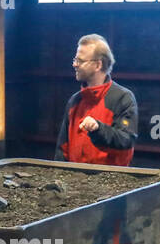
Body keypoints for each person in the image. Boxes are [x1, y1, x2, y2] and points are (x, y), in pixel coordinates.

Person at [55, 34, 137, 166]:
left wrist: (98, 129)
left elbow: (126, 140)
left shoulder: (123, 98)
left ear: (98, 65)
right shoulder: (74, 101)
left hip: (110, 178)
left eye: (80, 61)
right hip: (74, 178)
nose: (75, 64)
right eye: (75, 60)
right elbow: (62, 148)